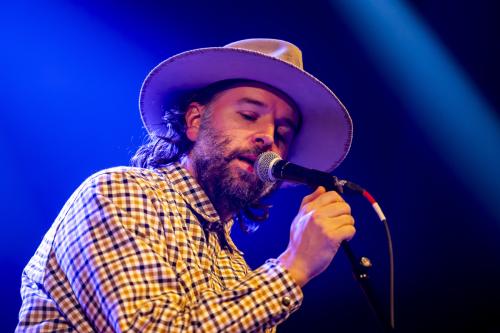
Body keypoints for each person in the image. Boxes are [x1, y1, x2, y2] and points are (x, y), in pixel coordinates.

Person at [16, 38, 356, 332]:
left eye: (282, 134)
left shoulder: (237, 269)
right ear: (194, 121)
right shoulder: (120, 193)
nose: (267, 137)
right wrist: (292, 267)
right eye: (249, 116)